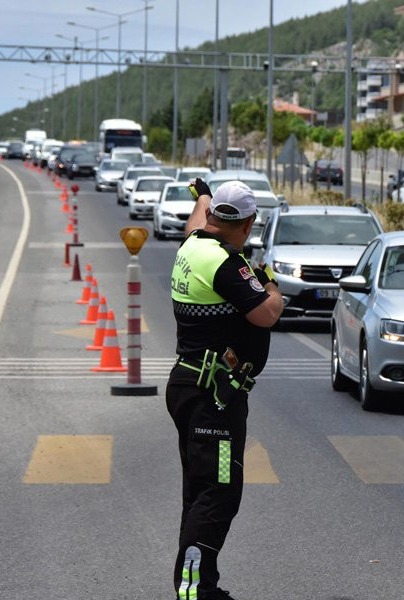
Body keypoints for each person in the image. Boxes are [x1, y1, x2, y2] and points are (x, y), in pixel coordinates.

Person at [167, 178, 283, 600]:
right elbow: (267, 314)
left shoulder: (193, 247)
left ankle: (197, 585)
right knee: (218, 493)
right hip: (213, 395)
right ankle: (195, 589)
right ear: (249, 224)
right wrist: (269, 281)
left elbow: (194, 223)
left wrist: (202, 195)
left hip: (191, 384)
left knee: (201, 491)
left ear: (214, 215)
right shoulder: (226, 264)